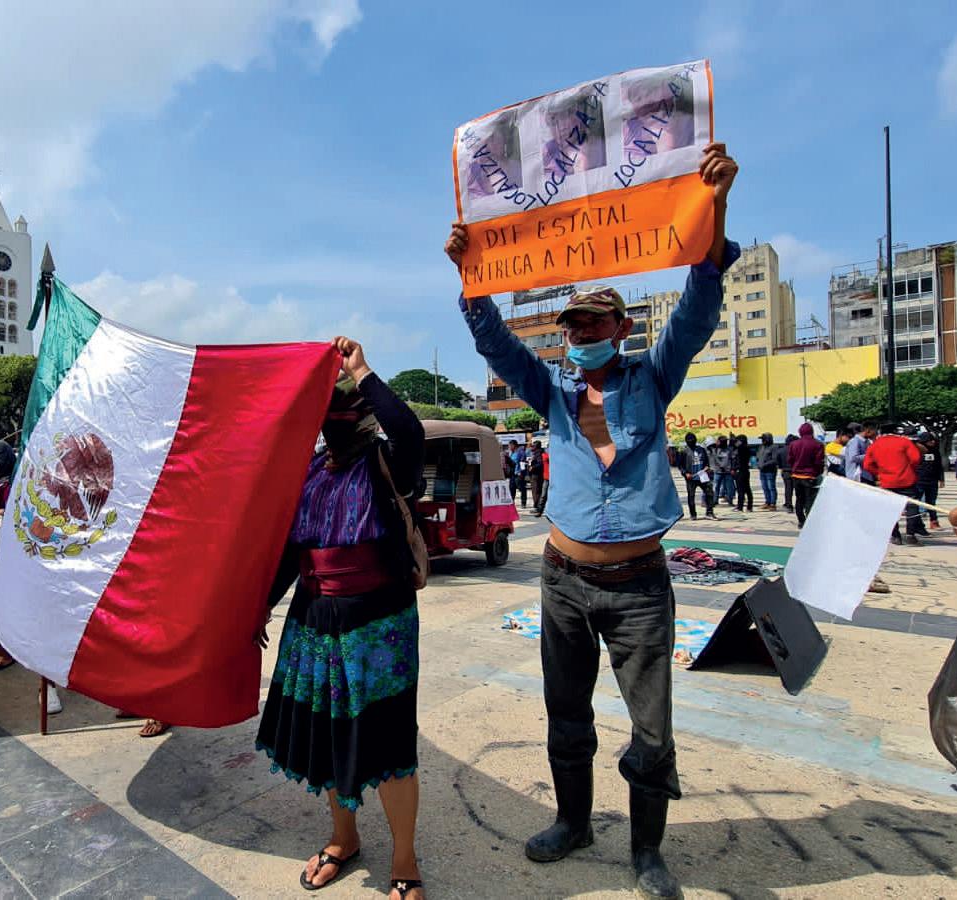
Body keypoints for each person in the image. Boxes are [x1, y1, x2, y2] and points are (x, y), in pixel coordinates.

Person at [448, 142, 739, 899]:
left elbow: (699, 308)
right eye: (574, 327)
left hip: (640, 587)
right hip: (563, 583)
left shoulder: (654, 376)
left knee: (652, 728)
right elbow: (494, 341)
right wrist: (469, 276)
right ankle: (572, 823)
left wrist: (714, 205)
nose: (582, 335)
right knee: (566, 713)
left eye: (594, 322)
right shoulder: (551, 393)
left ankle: (647, 853)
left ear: (622, 323)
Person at [256, 336, 426, 900]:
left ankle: (404, 861)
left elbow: (409, 431)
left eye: (346, 408)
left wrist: (363, 371)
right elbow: (292, 549)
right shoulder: (309, 471)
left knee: (389, 743)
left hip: (379, 625)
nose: (335, 423)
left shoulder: (387, 462)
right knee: (331, 736)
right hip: (314, 619)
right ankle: (343, 838)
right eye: (326, 414)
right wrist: (263, 604)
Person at [864, 424, 923, 545]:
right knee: (912, 507)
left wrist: (878, 473)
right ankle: (910, 535)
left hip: (887, 482)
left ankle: (896, 536)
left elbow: (867, 465)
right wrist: (909, 469)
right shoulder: (904, 442)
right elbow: (916, 459)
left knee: (890, 509)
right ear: (896, 431)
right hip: (907, 480)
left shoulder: (875, 445)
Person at [786, 423, 825, 528]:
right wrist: (817, 472)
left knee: (799, 499)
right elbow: (819, 462)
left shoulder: (793, 444)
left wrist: (795, 467)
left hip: (796, 476)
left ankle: (801, 521)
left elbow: (790, 460)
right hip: (810, 476)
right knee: (809, 500)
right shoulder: (818, 444)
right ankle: (809, 521)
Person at [676, 433, 717, 520]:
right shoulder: (684, 451)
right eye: (689, 441)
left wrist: (707, 467)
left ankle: (709, 512)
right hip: (691, 478)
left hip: (702, 476)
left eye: (693, 440)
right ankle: (693, 514)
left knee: (709, 493)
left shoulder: (701, 449)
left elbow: (706, 461)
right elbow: (680, 465)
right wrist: (685, 473)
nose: (691, 442)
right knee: (691, 496)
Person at [914, 433, 945, 531]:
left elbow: (939, 466)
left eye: (933, 440)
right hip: (919, 480)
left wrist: (941, 479)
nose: (933, 441)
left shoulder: (935, 451)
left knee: (931, 502)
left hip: (932, 481)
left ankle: (934, 521)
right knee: (916, 503)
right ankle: (916, 523)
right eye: (930, 440)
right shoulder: (916, 450)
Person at [756, 433, 779, 510]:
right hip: (762, 471)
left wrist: (764, 464)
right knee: (764, 487)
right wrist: (758, 463)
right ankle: (767, 502)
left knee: (771, 487)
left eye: (763, 439)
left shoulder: (774, 447)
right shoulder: (761, 447)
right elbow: (758, 456)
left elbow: (775, 460)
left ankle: (773, 504)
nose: (762, 441)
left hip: (770, 471)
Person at [732, 435, 754, 513]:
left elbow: (738, 459)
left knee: (740, 490)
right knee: (747, 489)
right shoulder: (747, 448)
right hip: (745, 471)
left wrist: (733, 440)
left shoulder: (741, 449)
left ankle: (740, 507)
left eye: (738, 441)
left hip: (740, 471)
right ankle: (749, 506)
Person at [712, 435, 734, 505]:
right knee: (716, 487)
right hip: (718, 471)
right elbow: (715, 460)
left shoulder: (729, 449)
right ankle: (715, 500)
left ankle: (730, 500)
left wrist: (732, 469)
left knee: (729, 487)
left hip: (728, 471)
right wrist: (720, 466)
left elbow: (732, 459)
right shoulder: (715, 449)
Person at [776, 434, 795, 512]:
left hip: (785, 471)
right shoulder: (796, 449)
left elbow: (778, 462)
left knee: (788, 489)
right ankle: (801, 504)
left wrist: (782, 467)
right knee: (798, 489)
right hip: (795, 471)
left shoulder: (781, 450)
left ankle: (789, 505)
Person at [528, 439, 546, 514]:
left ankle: (536, 507)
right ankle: (538, 506)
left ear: (536, 446)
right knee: (537, 491)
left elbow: (540, 463)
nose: (532, 447)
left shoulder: (538, 453)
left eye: (533, 446)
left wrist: (533, 467)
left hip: (536, 475)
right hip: (537, 474)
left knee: (536, 491)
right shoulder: (539, 452)